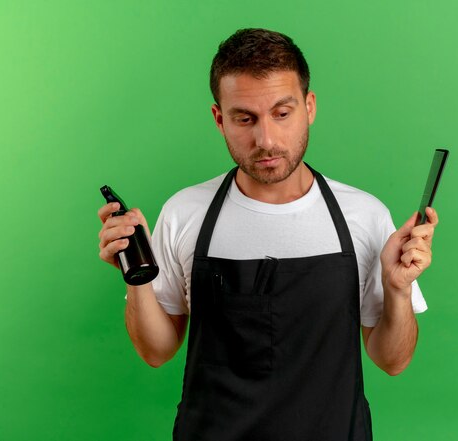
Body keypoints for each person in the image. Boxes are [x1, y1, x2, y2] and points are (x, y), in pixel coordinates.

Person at [97, 28, 439, 441]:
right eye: (245, 118)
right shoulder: (185, 212)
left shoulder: (363, 215)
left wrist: (398, 289)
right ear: (219, 118)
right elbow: (157, 351)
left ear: (309, 107)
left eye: (282, 113)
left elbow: (392, 360)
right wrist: (137, 277)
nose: (267, 140)